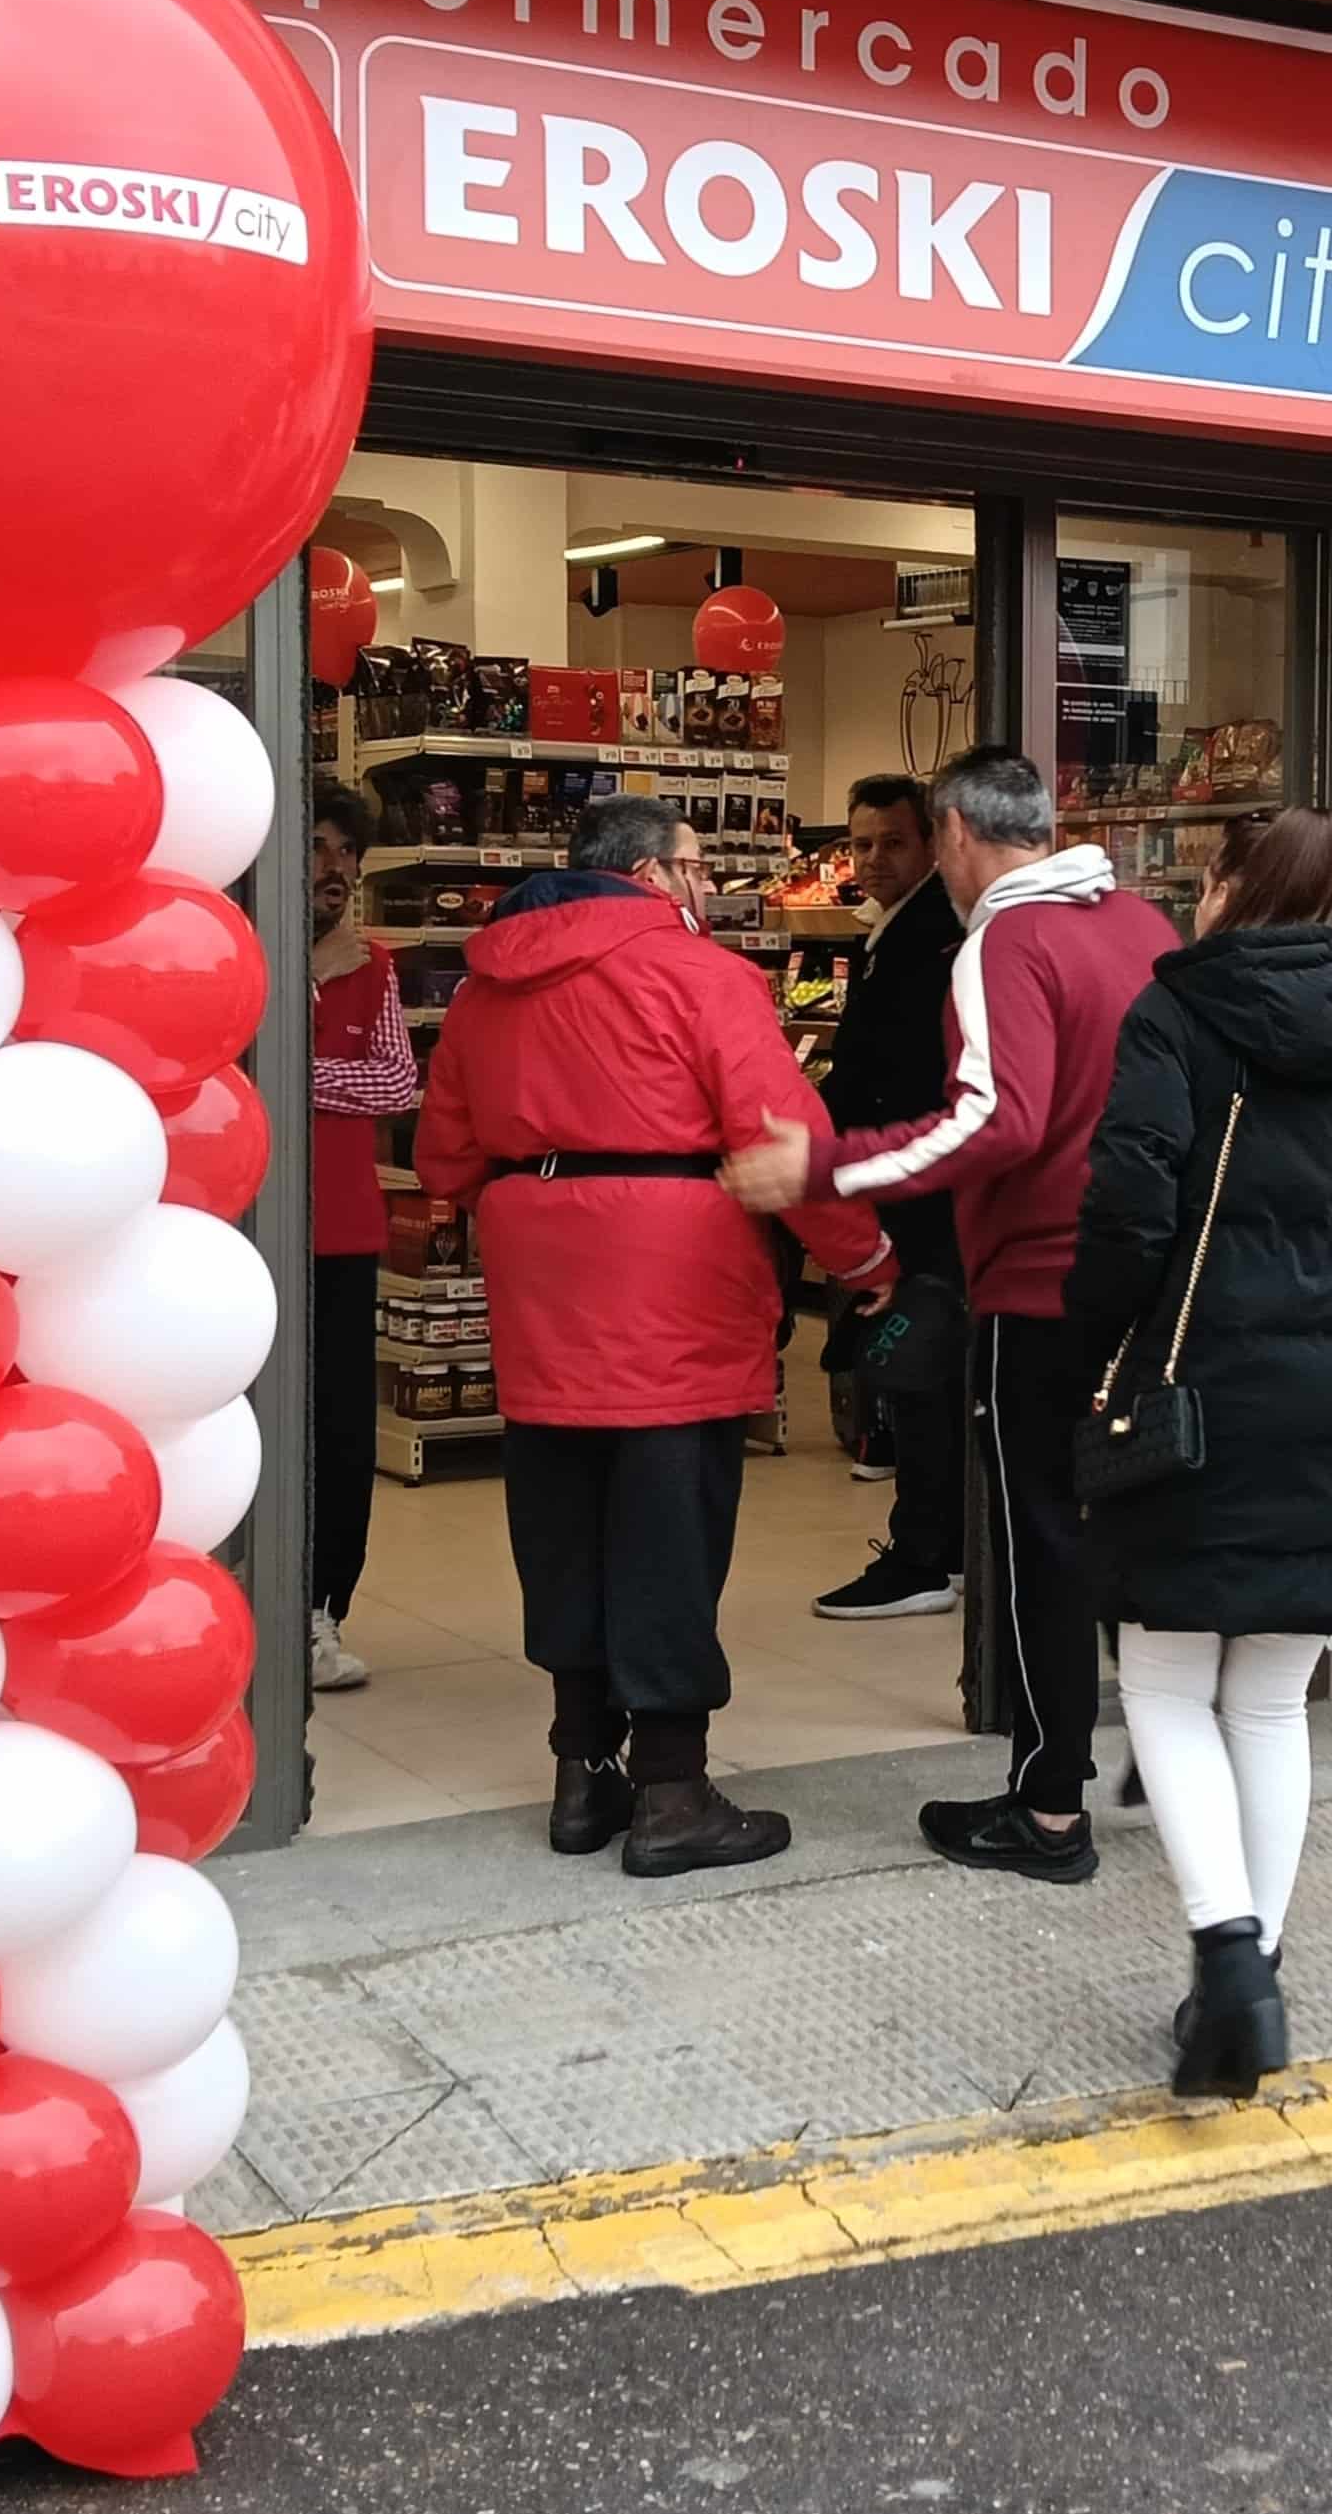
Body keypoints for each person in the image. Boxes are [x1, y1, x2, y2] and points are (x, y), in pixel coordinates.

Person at [415, 795, 895, 1877]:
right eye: (697, 866)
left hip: (541, 1272)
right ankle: (673, 1791)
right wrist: (862, 1258)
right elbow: (782, 1134)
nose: (708, 888)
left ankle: (582, 1775)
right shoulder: (700, 975)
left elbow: (445, 1145)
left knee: (560, 1521)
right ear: (650, 875)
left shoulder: (490, 983)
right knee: (669, 1528)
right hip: (673, 1271)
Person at [722, 747, 1174, 1883]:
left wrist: (825, 1167)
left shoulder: (1004, 942)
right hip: (1152, 1280)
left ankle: (1047, 1805)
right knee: (1133, 1531)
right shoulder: (1142, 928)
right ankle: (1168, 1758)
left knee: (1037, 1544)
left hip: (1040, 1283)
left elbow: (997, 1120)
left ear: (958, 834)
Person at [1067, 808, 1332, 2098]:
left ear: (1226, 888)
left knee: (1168, 1682)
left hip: (1193, 1400)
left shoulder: (1173, 1018)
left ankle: (1225, 1954)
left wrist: (1095, 1341)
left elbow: (1130, 1204)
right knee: (1275, 1698)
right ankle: (1258, 1969)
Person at [809, 774, 969, 1619]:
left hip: (922, 1187)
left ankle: (925, 1554)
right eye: (861, 843)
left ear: (935, 844)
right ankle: (947, 1546)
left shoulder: (933, 938)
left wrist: (818, 1143)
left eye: (892, 842)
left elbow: (895, 1077)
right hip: (913, 1176)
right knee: (930, 1375)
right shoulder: (897, 931)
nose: (873, 859)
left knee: (923, 1372)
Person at [306, 785, 416, 1695]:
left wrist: (296, 1071)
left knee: (341, 1433)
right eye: (317, 846)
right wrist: (305, 980)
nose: (335, 868)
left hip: (342, 1232)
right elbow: (229, 1059)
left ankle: (321, 1613)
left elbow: (392, 1088)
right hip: (236, 1232)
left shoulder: (375, 965)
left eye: (348, 853)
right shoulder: (236, 954)